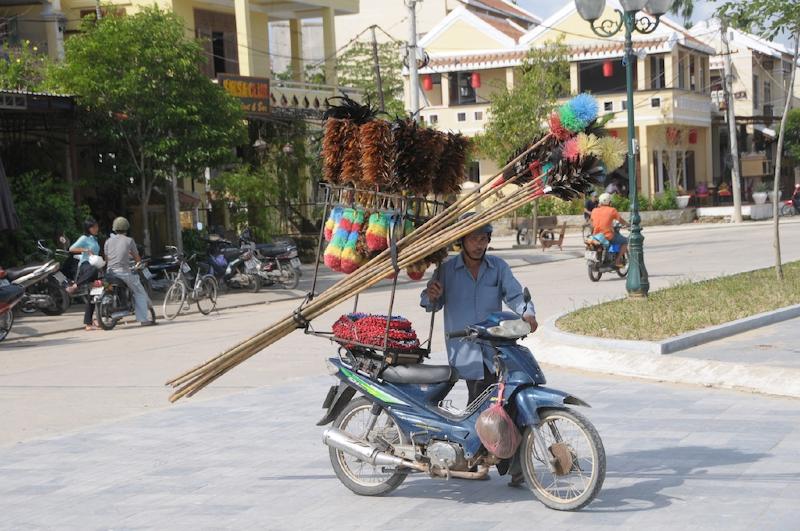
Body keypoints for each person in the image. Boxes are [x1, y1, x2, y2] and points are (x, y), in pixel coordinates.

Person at [421, 213, 537, 404]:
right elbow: (431, 303)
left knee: (495, 399)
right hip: (464, 348)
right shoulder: (446, 270)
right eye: (473, 239)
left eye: (483, 239)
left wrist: (528, 313)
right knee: (481, 402)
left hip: (494, 348)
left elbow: (515, 296)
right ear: (462, 241)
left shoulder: (498, 267)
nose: (479, 245)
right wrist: (432, 295)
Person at [104, 216, 155, 326]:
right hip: (123, 273)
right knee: (139, 293)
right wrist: (138, 263)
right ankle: (144, 320)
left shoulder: (108, 241)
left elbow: (107, 258)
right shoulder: (129, 240)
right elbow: (137, 258)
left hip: (109, 272)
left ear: (114, 228)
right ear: (126, 228)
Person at [67, 218, 102, 331]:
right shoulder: (84, 238)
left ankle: (89, 322)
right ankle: (75, 285)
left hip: (94, 267)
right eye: (94, 227)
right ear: (88, 228)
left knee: (93, 295)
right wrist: (85, 250)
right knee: (93, 270)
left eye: (96, 226)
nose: (96, 229)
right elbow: (71, 249)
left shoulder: (95, 239)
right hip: (85, 266)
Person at [590, 193, 630, 268]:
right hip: (607, 235)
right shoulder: (612, 210)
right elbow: (620, 220)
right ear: (609, 202)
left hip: (596, 236)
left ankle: (609, 255)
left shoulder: (594, 210)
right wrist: (628, 224)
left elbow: (591, 223)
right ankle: (617, 260)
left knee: (614, 240)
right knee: (625, 241)